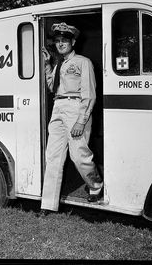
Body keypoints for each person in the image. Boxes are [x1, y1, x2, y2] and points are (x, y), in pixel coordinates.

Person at [39, 22, 103, 216]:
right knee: (53, 157)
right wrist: (48, 66)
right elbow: (52, 88)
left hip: (76, 108)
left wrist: (81, 120)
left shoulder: (84, 62)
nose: (60, 44)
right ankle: (47, 204)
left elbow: (90, 94)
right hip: (58, 107)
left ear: (73, 42)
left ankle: (96, 185)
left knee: (79, 155)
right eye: (57, 41)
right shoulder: (59, 64)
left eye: (64, 40)